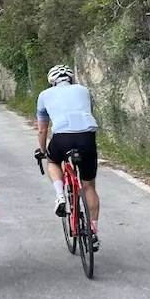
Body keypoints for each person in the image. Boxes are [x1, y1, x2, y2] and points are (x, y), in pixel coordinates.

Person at [35, 64, 100, 250]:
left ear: (52, 82)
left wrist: (42, 149)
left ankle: (60, 195)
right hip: (86, 136)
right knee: (89, 187)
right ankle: (93, 231)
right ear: (71, 79)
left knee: (53, 161)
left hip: (62, 137)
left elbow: (42, 129)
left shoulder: (45, 95)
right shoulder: (83, 90)